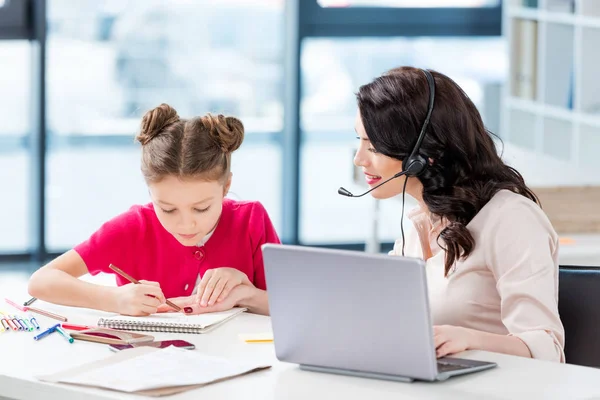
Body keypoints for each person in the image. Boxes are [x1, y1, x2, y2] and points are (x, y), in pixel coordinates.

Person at [352, 67, 565, 362]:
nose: (359, 159)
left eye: (373, 146)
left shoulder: (510, 219)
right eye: (359, 141)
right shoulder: (418, 222)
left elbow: (548, 350)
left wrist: (469, 339)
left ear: (421, 153)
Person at [28, 104, 279, 316]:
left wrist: (245, 293)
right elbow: (41, 281)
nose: (186, 224)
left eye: (201, 208)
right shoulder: (132, 228)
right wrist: (113, 299)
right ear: (150, 192)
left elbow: (294, 306)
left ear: (226, 187)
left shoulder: (250, 220)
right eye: (168, 209)